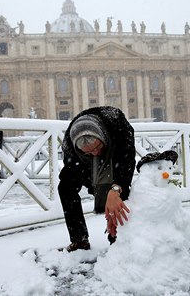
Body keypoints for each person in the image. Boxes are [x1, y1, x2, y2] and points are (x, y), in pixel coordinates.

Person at [58, 106, 136, 252]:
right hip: (84, 162)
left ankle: (118, 239)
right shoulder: (70, 145)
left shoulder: (117, 123)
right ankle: (79, 240)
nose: (95, 153)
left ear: (101, 137)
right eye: (89, 152)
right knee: (65, 188)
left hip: (114, 151)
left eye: (96, 147)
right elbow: (73, 170)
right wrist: (96, 189)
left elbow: (127, 162)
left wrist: (115, 189)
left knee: (117, 193)